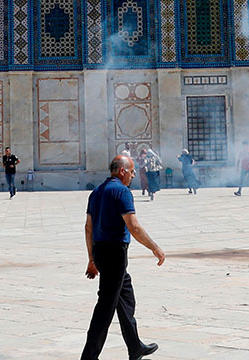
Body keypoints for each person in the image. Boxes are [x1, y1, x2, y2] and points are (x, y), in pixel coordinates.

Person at [80, 154, 164, 360]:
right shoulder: (122, 191)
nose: (134, 175)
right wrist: (154, 247)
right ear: (122, 171)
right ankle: (89, 356)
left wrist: (92, 259)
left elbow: (88, 228)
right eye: (132, 171)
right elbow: (133, 226)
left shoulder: (96, 192)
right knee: (106, 306)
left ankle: (135, 346)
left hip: (100, 251)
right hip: (114, 253)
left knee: (125, 297)